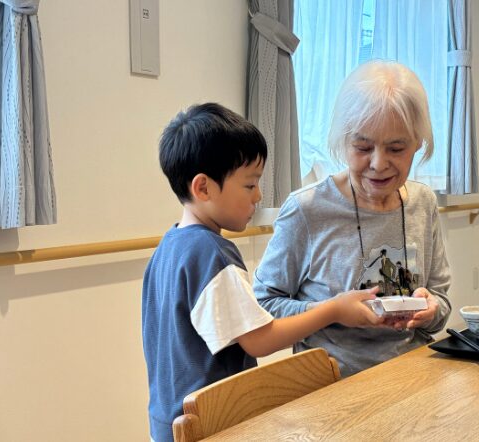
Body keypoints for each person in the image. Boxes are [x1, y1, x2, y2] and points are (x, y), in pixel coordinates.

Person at [142, 103, 381, 442]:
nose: (259, 195)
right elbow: (259, 340)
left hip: (168, 422)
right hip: (213, 423)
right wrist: (334, 309)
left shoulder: (167, 249)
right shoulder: (212, 254)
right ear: (203, 188)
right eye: (250, 184)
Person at [254, 61, 452, 376]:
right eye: (363, 147)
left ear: (418, 144)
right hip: (332, 384)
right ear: (343, 141)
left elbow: (440, 303)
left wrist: (431, 310)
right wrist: (331, 311)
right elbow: (263, 308)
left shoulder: (423, 203)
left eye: (396, 148)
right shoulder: (307, 209)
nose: (378, 163)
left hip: (412, 377)